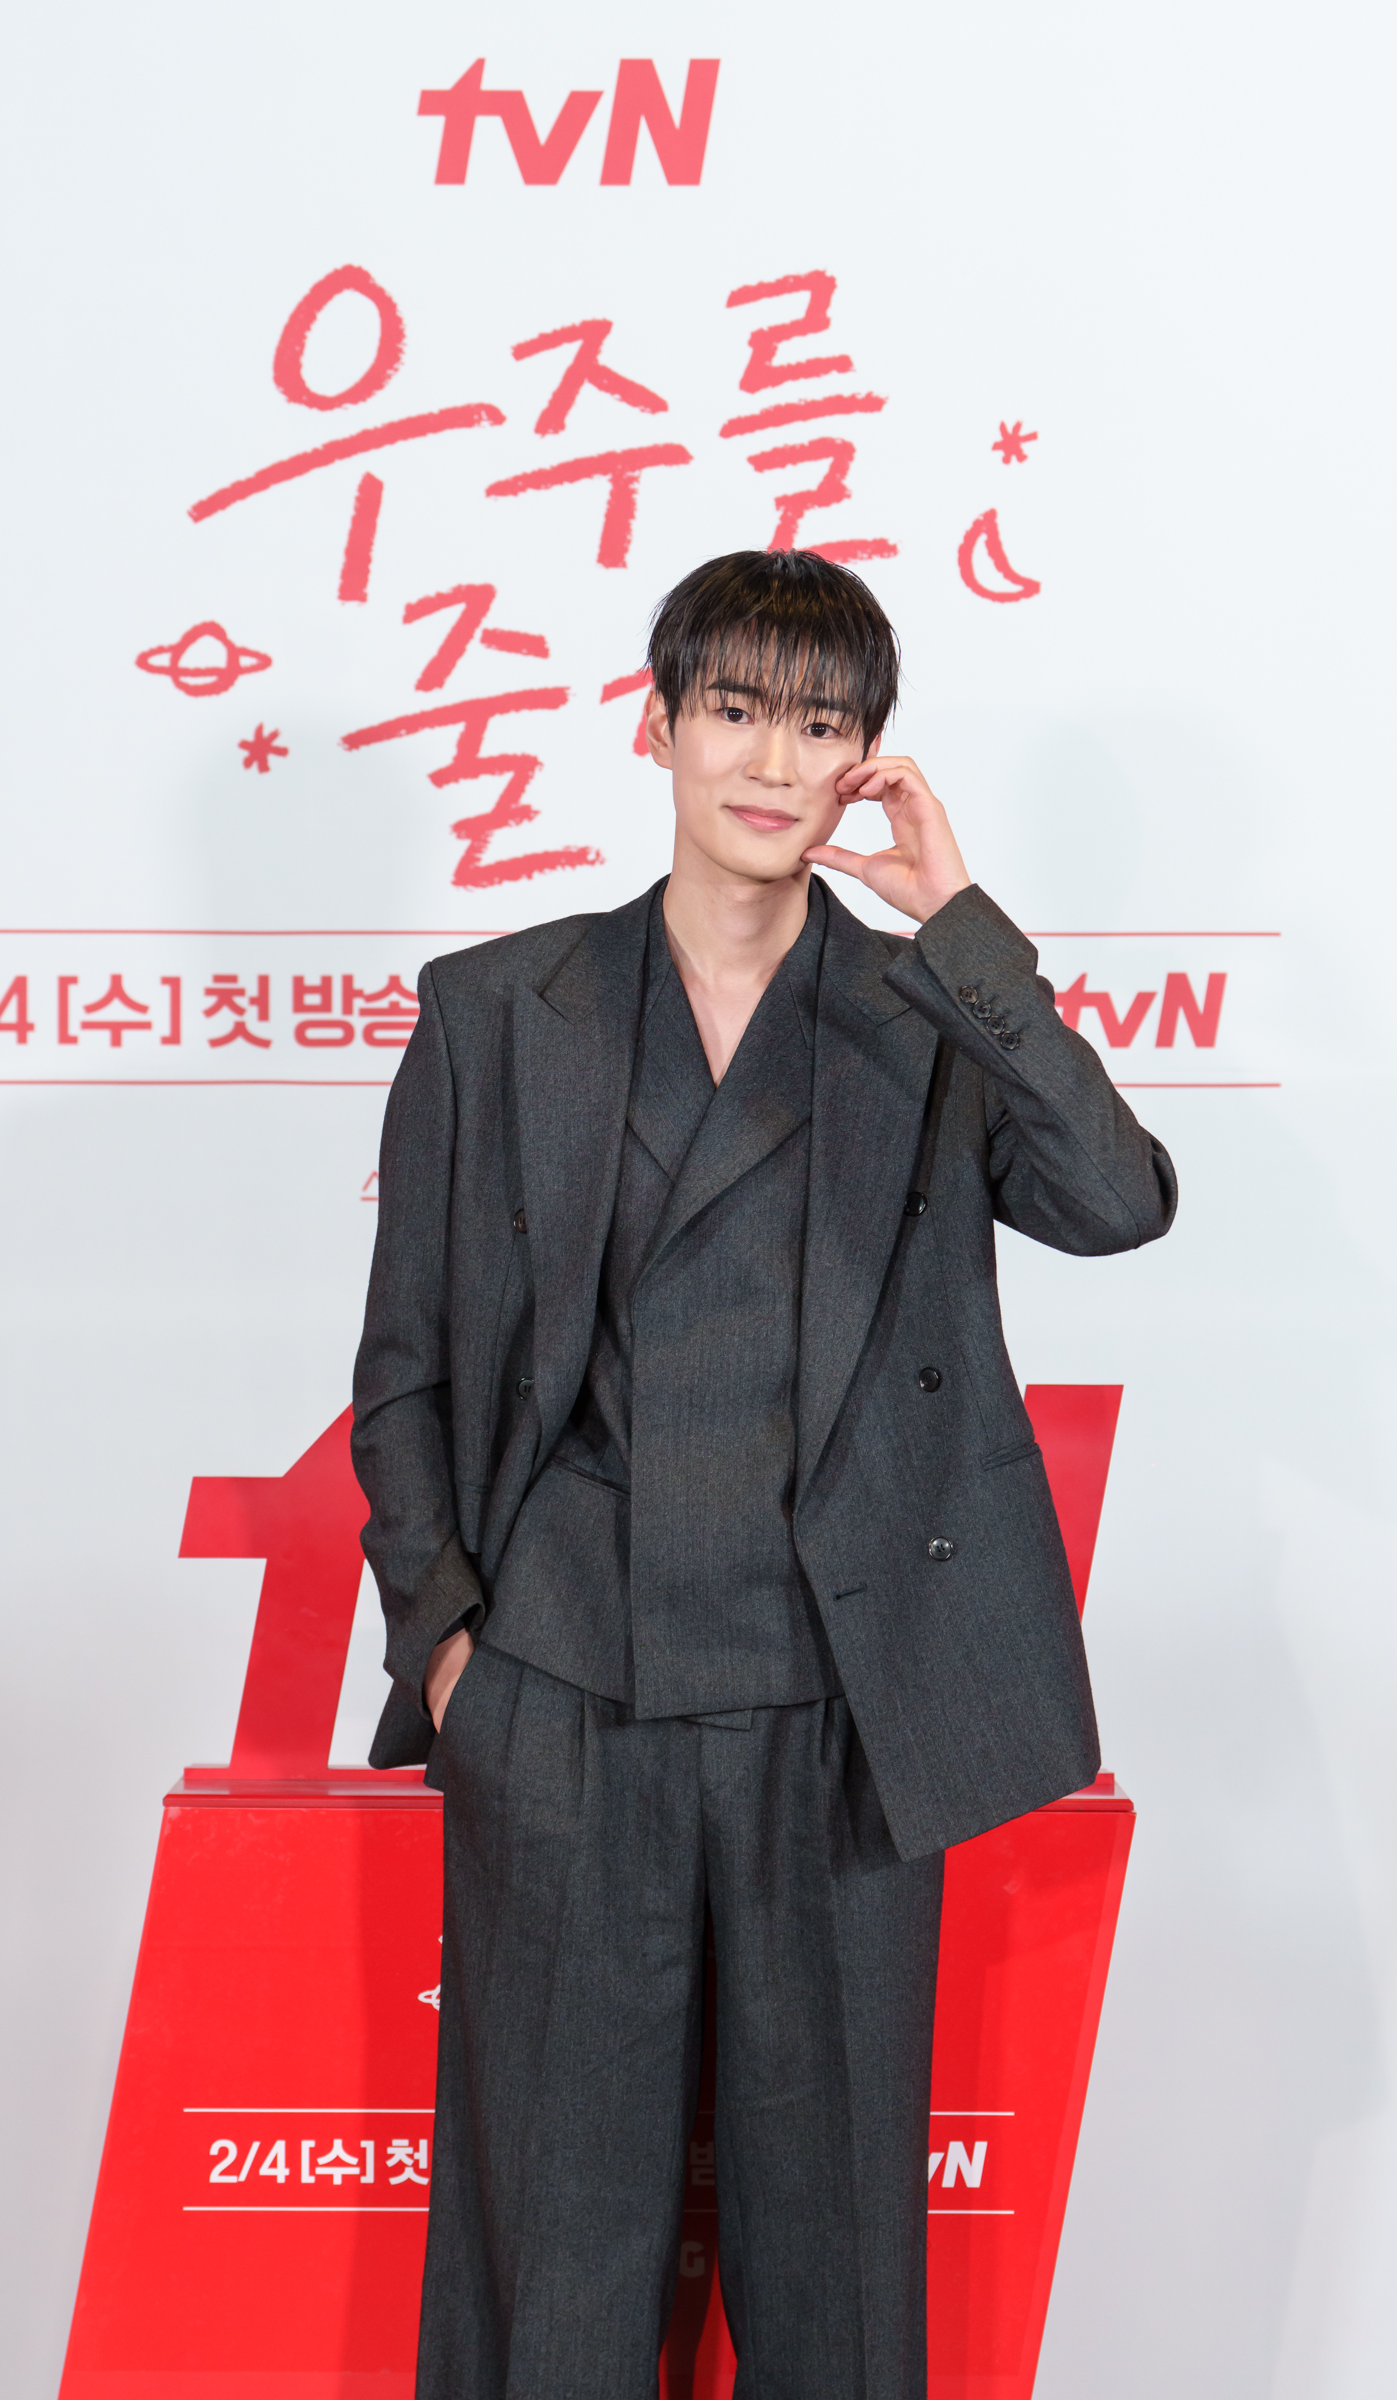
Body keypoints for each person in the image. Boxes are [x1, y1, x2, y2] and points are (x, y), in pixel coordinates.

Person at [351, 549, 1176, 2400]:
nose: (773, 761)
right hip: (564, 1689)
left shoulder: (922, 1011)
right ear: (654, 727)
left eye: (820, 724)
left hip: (844, 1707)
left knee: (840, 2269)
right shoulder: (499, 1009)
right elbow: (404, 1367)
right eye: (735, 709)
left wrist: (961, 927)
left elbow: (1117, 1202)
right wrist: (455, 1645)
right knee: (551, 2257)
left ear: (866, 761)